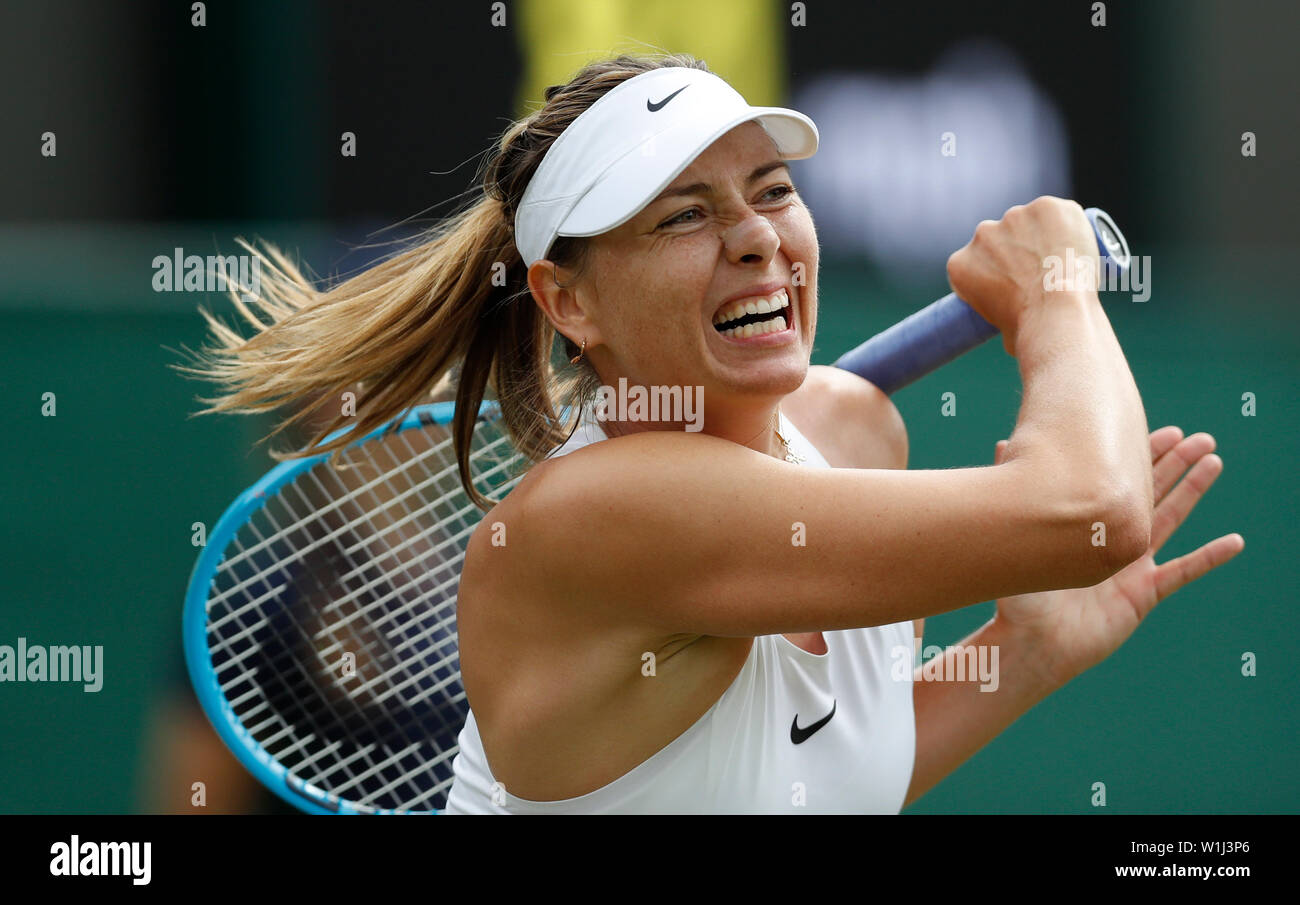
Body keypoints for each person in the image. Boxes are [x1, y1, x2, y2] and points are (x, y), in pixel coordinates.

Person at [193, 53, 1243, 814]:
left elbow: (820, 782)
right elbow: (1091, 512)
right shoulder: (599, 511)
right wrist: (1056, 287)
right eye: (682, 215)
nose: (754, 237)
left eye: (773, 191)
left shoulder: (852, 426)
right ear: (568, 304)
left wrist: (1023, 652)